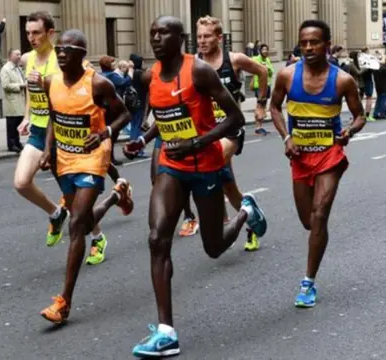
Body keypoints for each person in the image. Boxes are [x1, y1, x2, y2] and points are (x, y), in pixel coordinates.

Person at [123, 16, 267, 358]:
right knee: (158, 238)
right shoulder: (150, 76)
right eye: (153, 32)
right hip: (172, 166)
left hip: (206, 166)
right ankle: (166, 332)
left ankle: (246, 210)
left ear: (180, 38)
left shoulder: (200, 71)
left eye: (164, 33)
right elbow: (165, 116)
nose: (156, 38)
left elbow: (234, 119)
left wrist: (198, 143)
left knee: (214, 247)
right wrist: (142, 139)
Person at [38, 29, 133, 324]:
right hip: (62, 161)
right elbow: (54, 117)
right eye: (59, 49)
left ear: (82, 54)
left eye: (68, 49)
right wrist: (47, 149)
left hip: (92, 159)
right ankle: (118, 195)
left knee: (77, 224)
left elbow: (124, 114)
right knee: (84, 218)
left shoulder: (98, 84)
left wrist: (105, 133)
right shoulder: (50, 82)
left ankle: (64, 302)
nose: (61, 52)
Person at [269, 20, 366, 308]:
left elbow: (359, 115)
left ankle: (307, 283)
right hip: (300, 157)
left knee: (320, 213)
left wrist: (349, 131)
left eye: (314, 42)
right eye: (304, 42)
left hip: (329, 155)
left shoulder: (342, 80)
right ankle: (318, 239)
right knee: (308, 221)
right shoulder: (286, 76)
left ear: (327, 44)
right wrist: (286, 136)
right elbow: (274, 106)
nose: (308, 47)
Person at [194, 15, 269, 251]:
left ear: (219, 38)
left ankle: (222, 216)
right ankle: (249, 215)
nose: (202, 41)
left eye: (207, 36)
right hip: (207, 131)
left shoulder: (234, 59)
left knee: (211, 163)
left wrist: (261, 104)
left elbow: (263, 72)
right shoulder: (194, 63)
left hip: (230, 129)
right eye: (198, 37)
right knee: (229, 187)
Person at [14, 11, 69, 247]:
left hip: (58, 131)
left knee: (73, 195)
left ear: (50, 33)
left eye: (36, 32)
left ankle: (97, 236)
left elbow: (65, 98)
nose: (31, 37)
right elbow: (30, 92)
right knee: (21, 183)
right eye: (28, 33)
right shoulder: (27, 59)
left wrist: (45, 84)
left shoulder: (61, 59)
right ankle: (56, 213)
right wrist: (27, 116)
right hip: (38, 130)